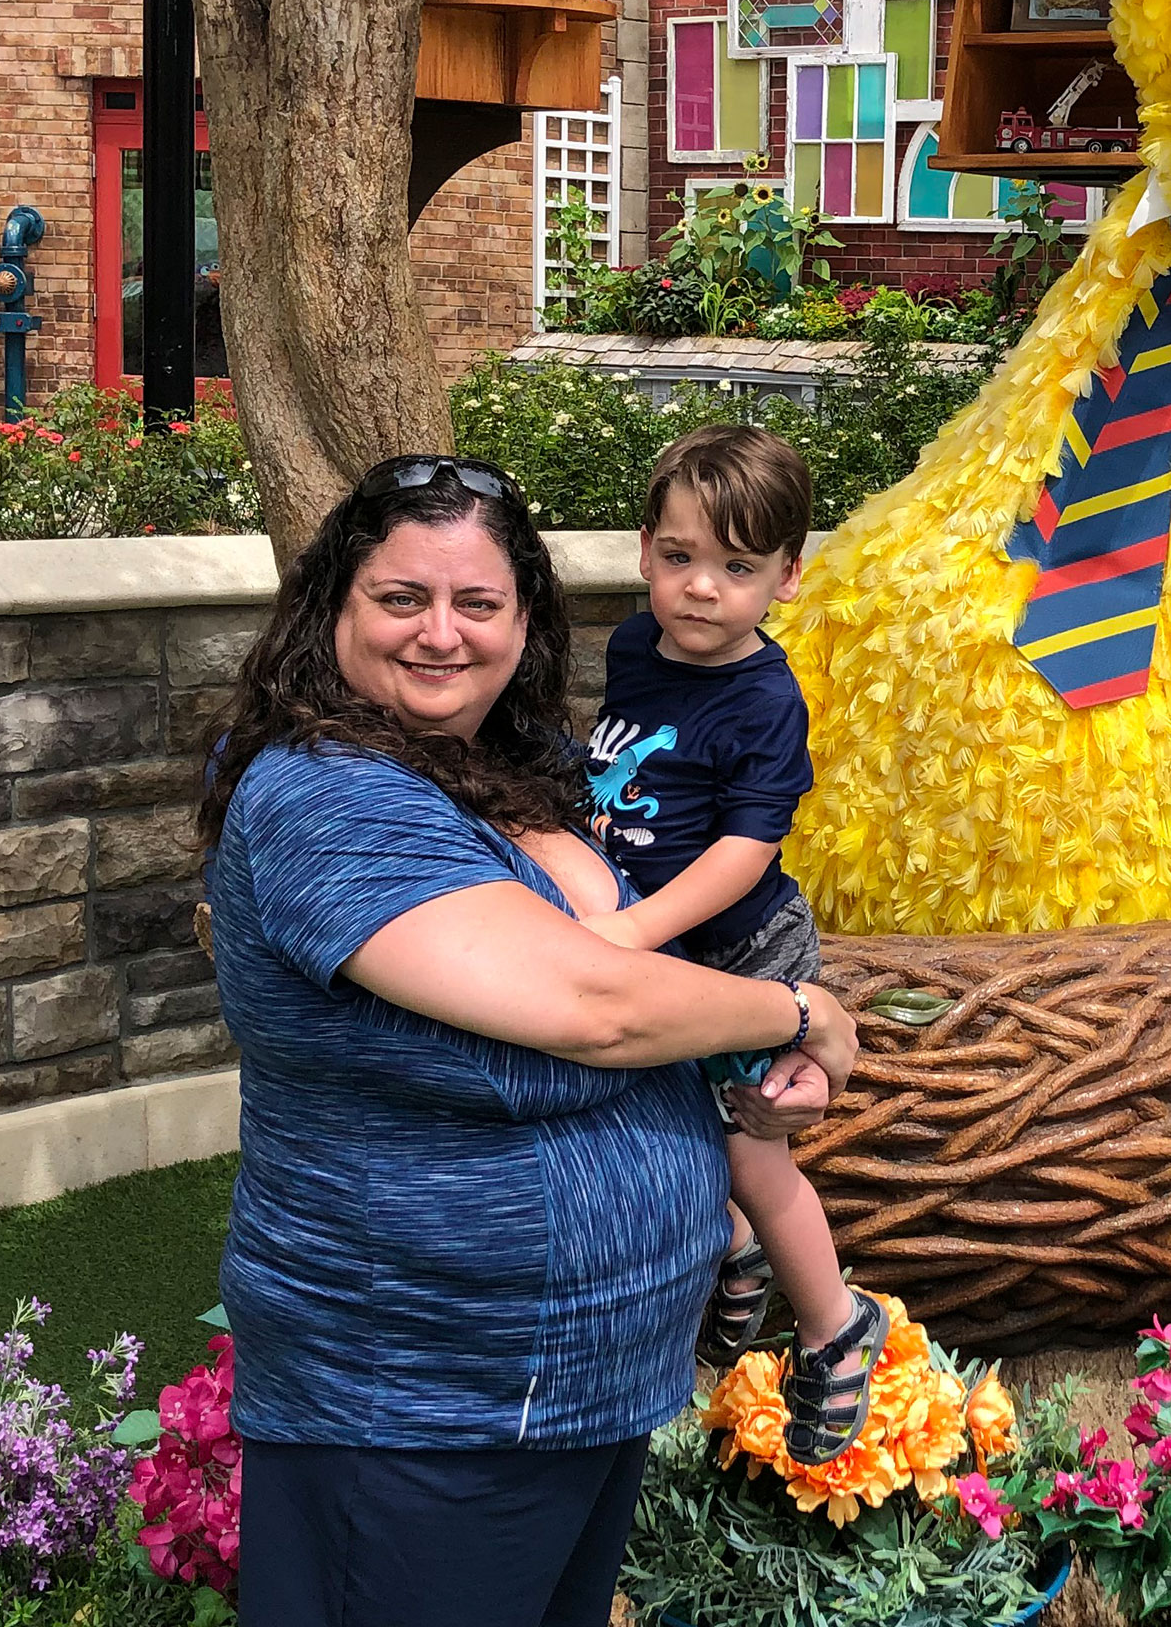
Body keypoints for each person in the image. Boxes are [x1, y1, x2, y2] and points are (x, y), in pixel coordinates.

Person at [198, 453, 860, 1627]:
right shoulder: (324, 794)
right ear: (332, 606)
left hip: (578, 1387)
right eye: (402, 599)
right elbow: (593, 1005)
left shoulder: (517, 763)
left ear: (526, 619)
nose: (440, 635)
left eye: (479, 603)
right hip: (422, 1402)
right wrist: (801, 1013)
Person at [572, 425, 885, 1464]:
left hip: (744, 948)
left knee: (753, 1149)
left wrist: (632, 930)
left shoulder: (764, 698)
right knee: (664, 1114)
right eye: (678, 558)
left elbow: (746, 851)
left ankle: (838, 1328)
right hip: (657, 944)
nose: (700, 589)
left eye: (737, 568)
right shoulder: (630, 649)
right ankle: (738, 1253)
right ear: (647, 550)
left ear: (788, 577)